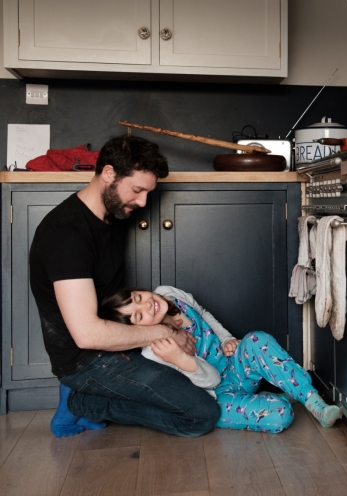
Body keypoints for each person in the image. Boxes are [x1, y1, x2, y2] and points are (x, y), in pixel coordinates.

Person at [29, 135, 220, 438]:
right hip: (87, 361)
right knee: (202, 415)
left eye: (148, 192)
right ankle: (84, 402)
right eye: (137, 190)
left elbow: (117, 305)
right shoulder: (65, 234)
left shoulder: (111, 216)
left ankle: (85, 399)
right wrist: (164, 331)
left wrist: (169, 322)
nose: (143, 202)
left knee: (201, 375)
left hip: (118, 342)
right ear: (108, 174)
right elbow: (87, 334)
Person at [98, 285, 343, 433]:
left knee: (256, 339)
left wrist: (226, 339)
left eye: (138, 298)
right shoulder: (155, 351)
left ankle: (314, 403)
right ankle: (283, 394)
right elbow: (212, 381)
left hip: (235, 366)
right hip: (217, 397)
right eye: (139, 317)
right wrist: (181, 358)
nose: (148, 305)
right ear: (136, 331)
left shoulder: (167, 293)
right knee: (281, 415)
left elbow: (203, 313)